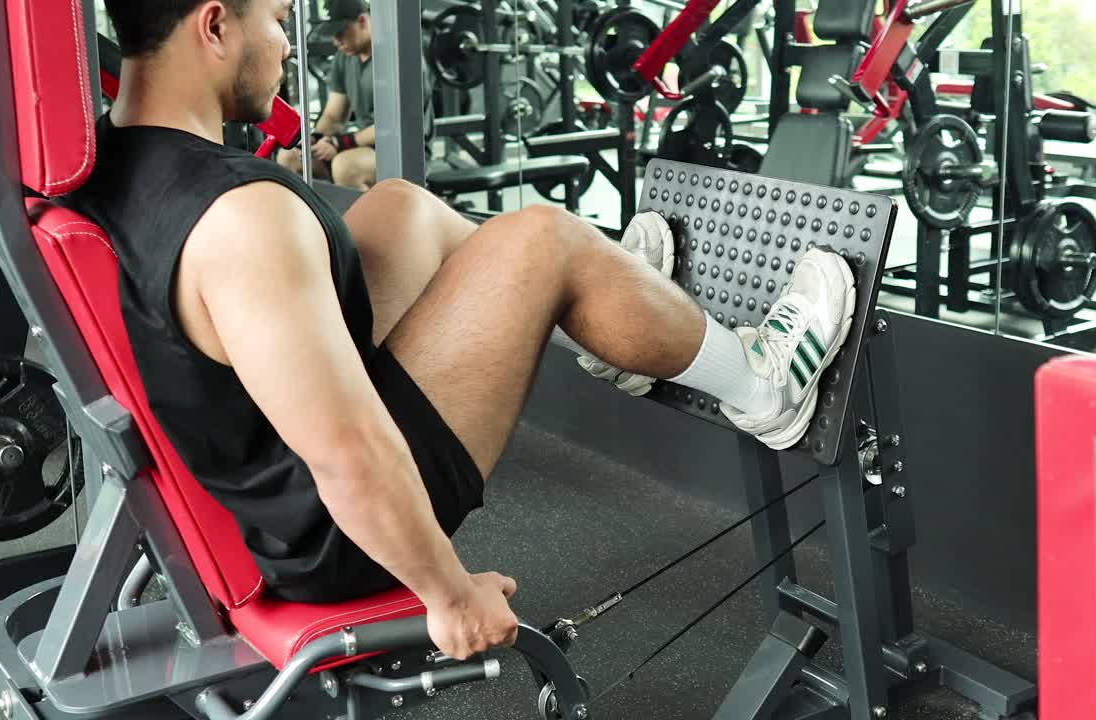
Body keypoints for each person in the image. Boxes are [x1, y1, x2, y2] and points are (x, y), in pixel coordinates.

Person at [74, 0, 856, 662]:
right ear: (214, 25)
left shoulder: (121, 159)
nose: (288, 44)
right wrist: (447, 593)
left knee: (402, 206)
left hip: (261, 460)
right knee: (542, 240)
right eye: (278, 19)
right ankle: (762, 382)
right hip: (330, 532)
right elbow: (347, 453)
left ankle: (616, 308)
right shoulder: (238, 218)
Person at [277, 0, 377, 188]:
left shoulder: (395, 55)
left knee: (345, 166)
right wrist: (315, 139)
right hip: (361, 147)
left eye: (341, 33)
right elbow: (334, 117)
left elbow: (391, 128)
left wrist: (340, 143)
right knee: (289, 156)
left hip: (400, 149)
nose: (336, 41)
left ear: (363, 21)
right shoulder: (344, 58)